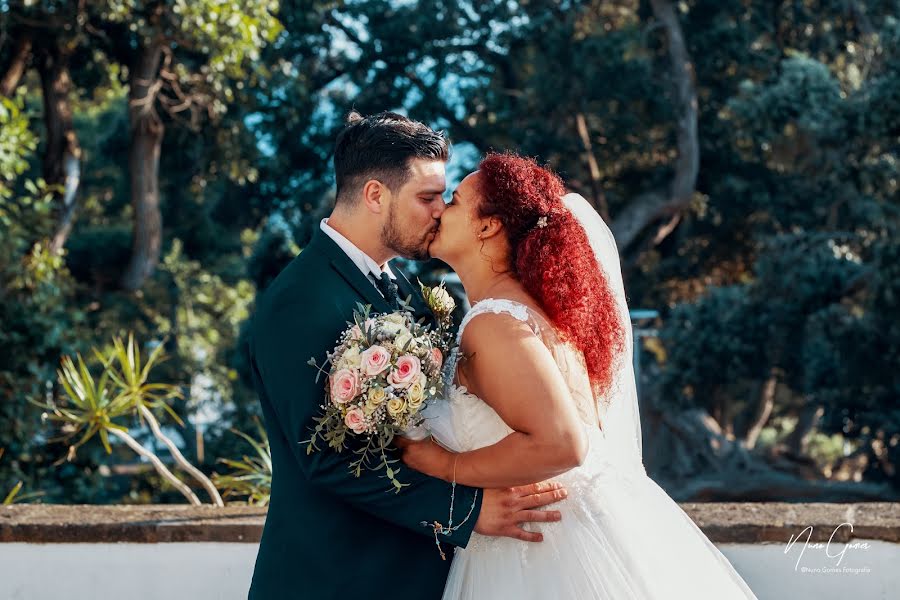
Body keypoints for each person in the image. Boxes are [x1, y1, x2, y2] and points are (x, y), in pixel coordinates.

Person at [396, 152, 759, 599]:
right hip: (578, 535)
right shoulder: (532, 318)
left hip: (542, 555)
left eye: (453, 201)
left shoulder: (494, 323)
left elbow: (563, 443)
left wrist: (445, 464)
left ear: (488, 226)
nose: (438, 210)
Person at [247, 115, 566, 600]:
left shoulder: (406, 292)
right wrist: (466, 509)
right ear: (376, 195)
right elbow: (328, 461)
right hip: (335, 578)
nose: (440, 211)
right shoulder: (301, 298)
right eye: (427, 197)